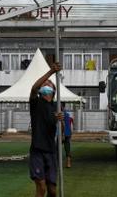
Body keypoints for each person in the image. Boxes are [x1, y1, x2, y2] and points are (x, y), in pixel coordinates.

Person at [29, 61, 64, 197]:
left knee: (53, 191)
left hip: (51, 151)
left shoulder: (56, 107)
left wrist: (60, 121)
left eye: (49, 83)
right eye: (44, 84)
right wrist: (51, 72)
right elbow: (34, 88)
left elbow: (60, 132)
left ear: (54, 90)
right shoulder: (36, 103)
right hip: (37, 150)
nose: (45, 84)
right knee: (41, 187)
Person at [61, 102, 74, 168]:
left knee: (55, 148)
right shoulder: (67, 115)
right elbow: (71, 127)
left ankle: (67, 162)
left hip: (62, 134)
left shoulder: (60, 114)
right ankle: (68, 163)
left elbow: (64, 125)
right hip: (66, 134)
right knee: (67, 149)